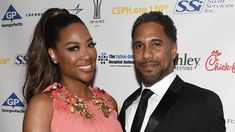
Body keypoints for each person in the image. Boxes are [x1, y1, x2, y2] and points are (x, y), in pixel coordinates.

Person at [118, 11, 226, 132]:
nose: (146, 54)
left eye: (156, 44)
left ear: (173, 50)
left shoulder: (202, 103)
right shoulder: (128, 104)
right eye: (139, 46)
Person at [22, 8, 123, 132]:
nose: (87, 55)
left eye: (90, 45)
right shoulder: (43, 107)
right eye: (74, 48)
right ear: (53, 54)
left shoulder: (109, 102)